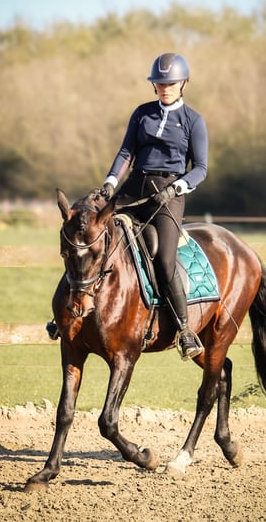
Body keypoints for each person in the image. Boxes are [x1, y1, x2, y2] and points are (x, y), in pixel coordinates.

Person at [99, 53, 208, 361]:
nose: (164, 88)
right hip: (134, 187)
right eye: (159, 84)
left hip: (169, 194)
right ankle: (70, 310)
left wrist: (176, 187)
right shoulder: (141, 114)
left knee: (165, 259)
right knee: (93, 231)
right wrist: (110, 183)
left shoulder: (193, 121)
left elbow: (200, 168)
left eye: (170, 83)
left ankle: (185, 331)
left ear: (184, 82)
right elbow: (125, 153)